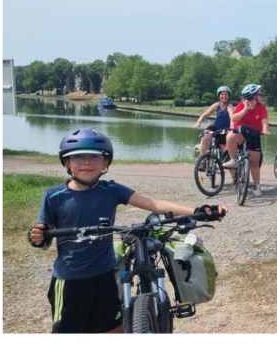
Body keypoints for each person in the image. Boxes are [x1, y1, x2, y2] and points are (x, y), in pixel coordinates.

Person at [28, 129, 226, 333]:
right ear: (66, 163)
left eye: (94, 156)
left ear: (105, 163)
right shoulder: (54, 196)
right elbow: (45, 237)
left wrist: (197, 211)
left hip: (105, 275)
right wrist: (39, 239)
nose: (86, 162)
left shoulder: (111, 190)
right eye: (78, 156)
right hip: (70, 281)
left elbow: (154, 204)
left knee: (115, 330)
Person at [226, 84, 270, 193]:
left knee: (255, 163)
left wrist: (265, 130)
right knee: (230, 136)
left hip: (254, 134)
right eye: (260, 93)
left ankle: (257, 186)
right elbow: (233, 118)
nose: (261, 95)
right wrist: (245, 109)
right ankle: (233, 160)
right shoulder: (242, 104)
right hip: (241, 132)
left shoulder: (261, 106)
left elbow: (264, 121)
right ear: (254, 96)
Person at [191, 86, 233, 175]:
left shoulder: (229, 106)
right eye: (222, 94)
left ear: (229, 96)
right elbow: (205, 115)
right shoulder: (216, 105)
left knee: (225, 153)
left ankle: (234, 177)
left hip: (226, 130)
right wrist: (199, 122)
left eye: (226, 94)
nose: (224, 96)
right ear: (219, 96)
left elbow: (232, 118)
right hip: (215, 127)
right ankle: (204, 161)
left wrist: (231, 129)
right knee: (205, 137)